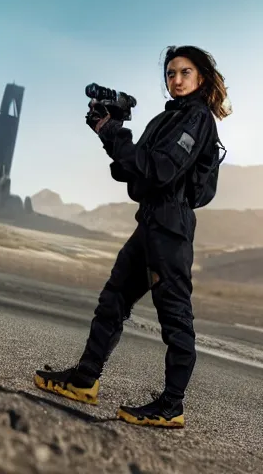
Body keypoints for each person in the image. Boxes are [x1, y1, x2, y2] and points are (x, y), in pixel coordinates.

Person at [33, 45, 231, 428]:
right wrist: (110, 131)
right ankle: (84, 381)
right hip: (151, 223)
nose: (175, 79)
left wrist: (115, 133)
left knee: (175, 316)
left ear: (201, 77)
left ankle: (172, 405)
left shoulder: (197, 119)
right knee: (113, 300)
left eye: (184, 72)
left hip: (170, 229)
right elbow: (129, 171)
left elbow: (157, 170)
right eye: (170, 73)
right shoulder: (168, 119)